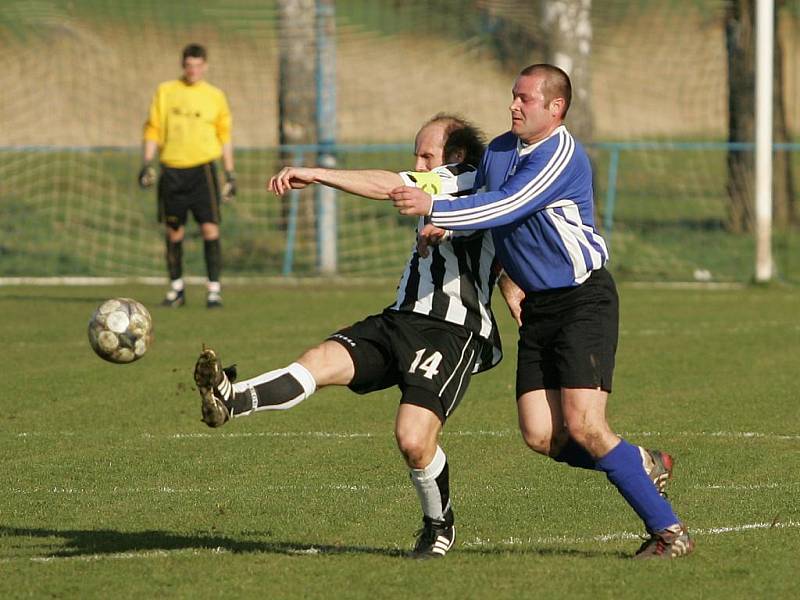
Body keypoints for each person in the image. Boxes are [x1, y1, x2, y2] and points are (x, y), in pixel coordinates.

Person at [389, 65, 694, 559]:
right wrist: (485, 258)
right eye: (513, 96)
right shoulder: (504, 150)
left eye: (526, 99)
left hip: (582, 300)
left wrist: (435, 210)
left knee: (587, 427)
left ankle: (669, 533)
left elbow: (509, 205)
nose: (514, 105)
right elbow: (486, 205)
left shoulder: (561, 154)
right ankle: (641, 462)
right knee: (539, 433)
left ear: (555, 109)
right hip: (538, 305)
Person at [194, 114, 505, 559]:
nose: (417, 163)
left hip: (451, 332)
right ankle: (231, 397)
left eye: (426, 154)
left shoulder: (465, 178)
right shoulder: (445, 191)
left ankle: (439, 524)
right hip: (399, 319)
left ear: (455, 157)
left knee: (414, 439)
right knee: (319, 361)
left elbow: (390, 185)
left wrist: (317, 173)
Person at [138, 43, 236, 309]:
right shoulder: (166, 91)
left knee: (209, 228)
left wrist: (229, 173)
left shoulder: (215, 96)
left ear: (205, 66)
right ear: (183, 65)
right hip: (172, 170)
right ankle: (176, 290)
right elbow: (153, 129)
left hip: (203, 170)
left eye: (198, 65)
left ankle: (213, 290)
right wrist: (147, 163)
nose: (193, 70)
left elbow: (224, 136)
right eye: (189, 65)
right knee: (174, 231)